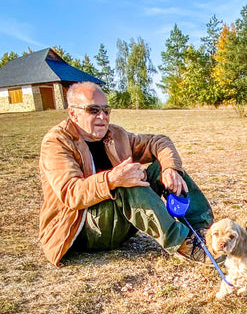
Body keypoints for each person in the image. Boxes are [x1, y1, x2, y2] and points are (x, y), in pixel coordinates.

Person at [39, 81, 214, 266]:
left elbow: (158, 141)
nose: (102, 116)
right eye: (93, 110)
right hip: (82, 230)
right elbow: (71, 194)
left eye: (106, 110)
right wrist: (113, 179)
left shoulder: (114, 134)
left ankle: (205, 231)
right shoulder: (57, 142)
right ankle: (183, 245)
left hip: (118, 223)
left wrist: (170, 168)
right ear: (73, 113)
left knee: (160, 168)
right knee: (127, 180)